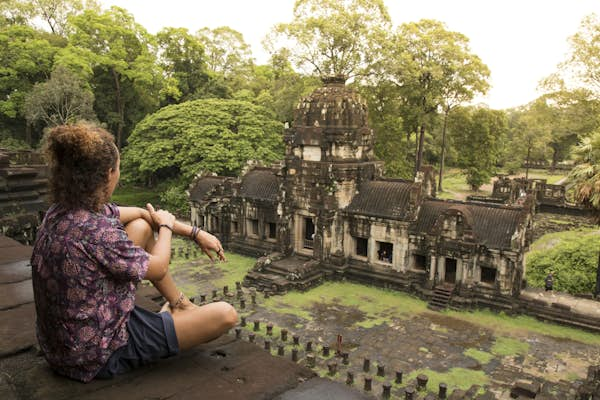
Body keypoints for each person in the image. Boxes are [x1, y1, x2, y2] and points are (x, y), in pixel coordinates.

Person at [31, 124, 238, 383]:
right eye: (118, 168)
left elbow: (141, 215)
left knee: (140, 227)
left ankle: (180, 304)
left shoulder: (62, 212)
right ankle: (167, 318)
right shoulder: (98, 233)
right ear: (108, 174)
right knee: (225, 314)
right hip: (99, 353)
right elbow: (159, 266)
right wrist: (165, 227)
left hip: (62, 345)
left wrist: (195, 233)